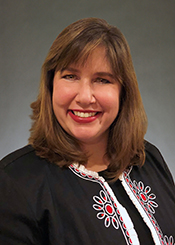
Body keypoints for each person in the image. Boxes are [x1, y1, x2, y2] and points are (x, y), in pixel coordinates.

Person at [0, 17, 174, 245]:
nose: (84, 97)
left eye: (102, 80)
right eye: (70, 76)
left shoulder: (148, 159)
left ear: (123, 92)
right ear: (51, 84)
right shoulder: (13, 182)